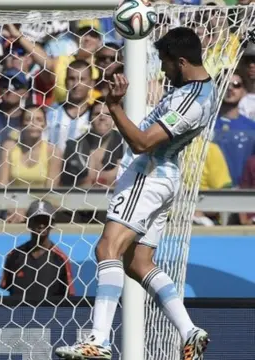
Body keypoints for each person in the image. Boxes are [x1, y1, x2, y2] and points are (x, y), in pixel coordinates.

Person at [56, 27, 214, 360]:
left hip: (149, 174)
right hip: (164, 178)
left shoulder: (190, 101)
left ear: (181, 61)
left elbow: (142, 142)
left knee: (107, 247)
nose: (163, 70)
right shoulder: (200, 89)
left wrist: (113, 106)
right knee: (139, 263)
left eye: (166, 63)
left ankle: (98, 340)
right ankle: (189, 330)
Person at [0, 200, 74, 302]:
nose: (41, 225)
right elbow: (7, 287)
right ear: (28, 223)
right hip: (18, 315)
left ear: (52, 224)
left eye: (46, 221)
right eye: (37, 220)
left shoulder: (60, 259)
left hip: (48, 315)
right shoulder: (14, 256)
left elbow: (69, 295)